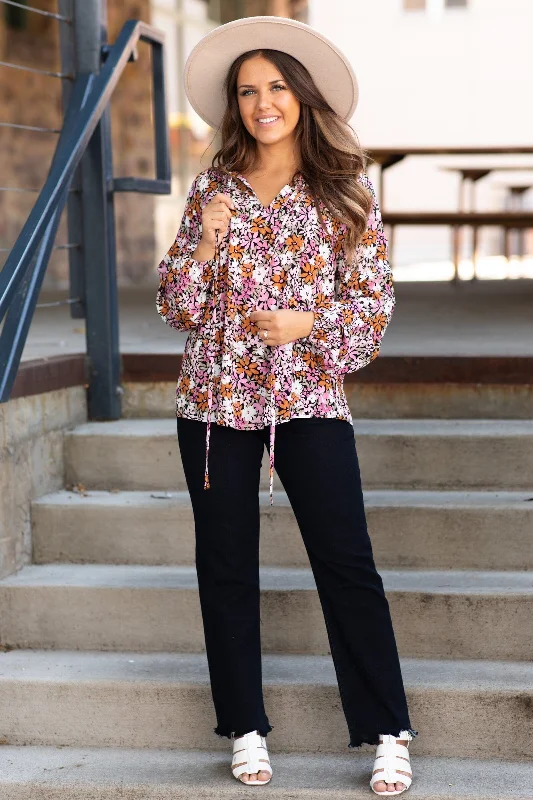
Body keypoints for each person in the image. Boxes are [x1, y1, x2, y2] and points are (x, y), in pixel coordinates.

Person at [156, 15, 417, 796]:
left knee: (345, 561)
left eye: (274, 87)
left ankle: (386, 731)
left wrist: (310, 325)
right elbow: (175, 307)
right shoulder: (212, 186)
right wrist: (203, 246)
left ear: (300, 96)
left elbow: (371, 309)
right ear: (233, 106)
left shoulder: (343, 188)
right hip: (212, 400)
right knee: (225, 566)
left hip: (306, 395)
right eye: (246, 92)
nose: (261, 103)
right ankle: (244, 727)